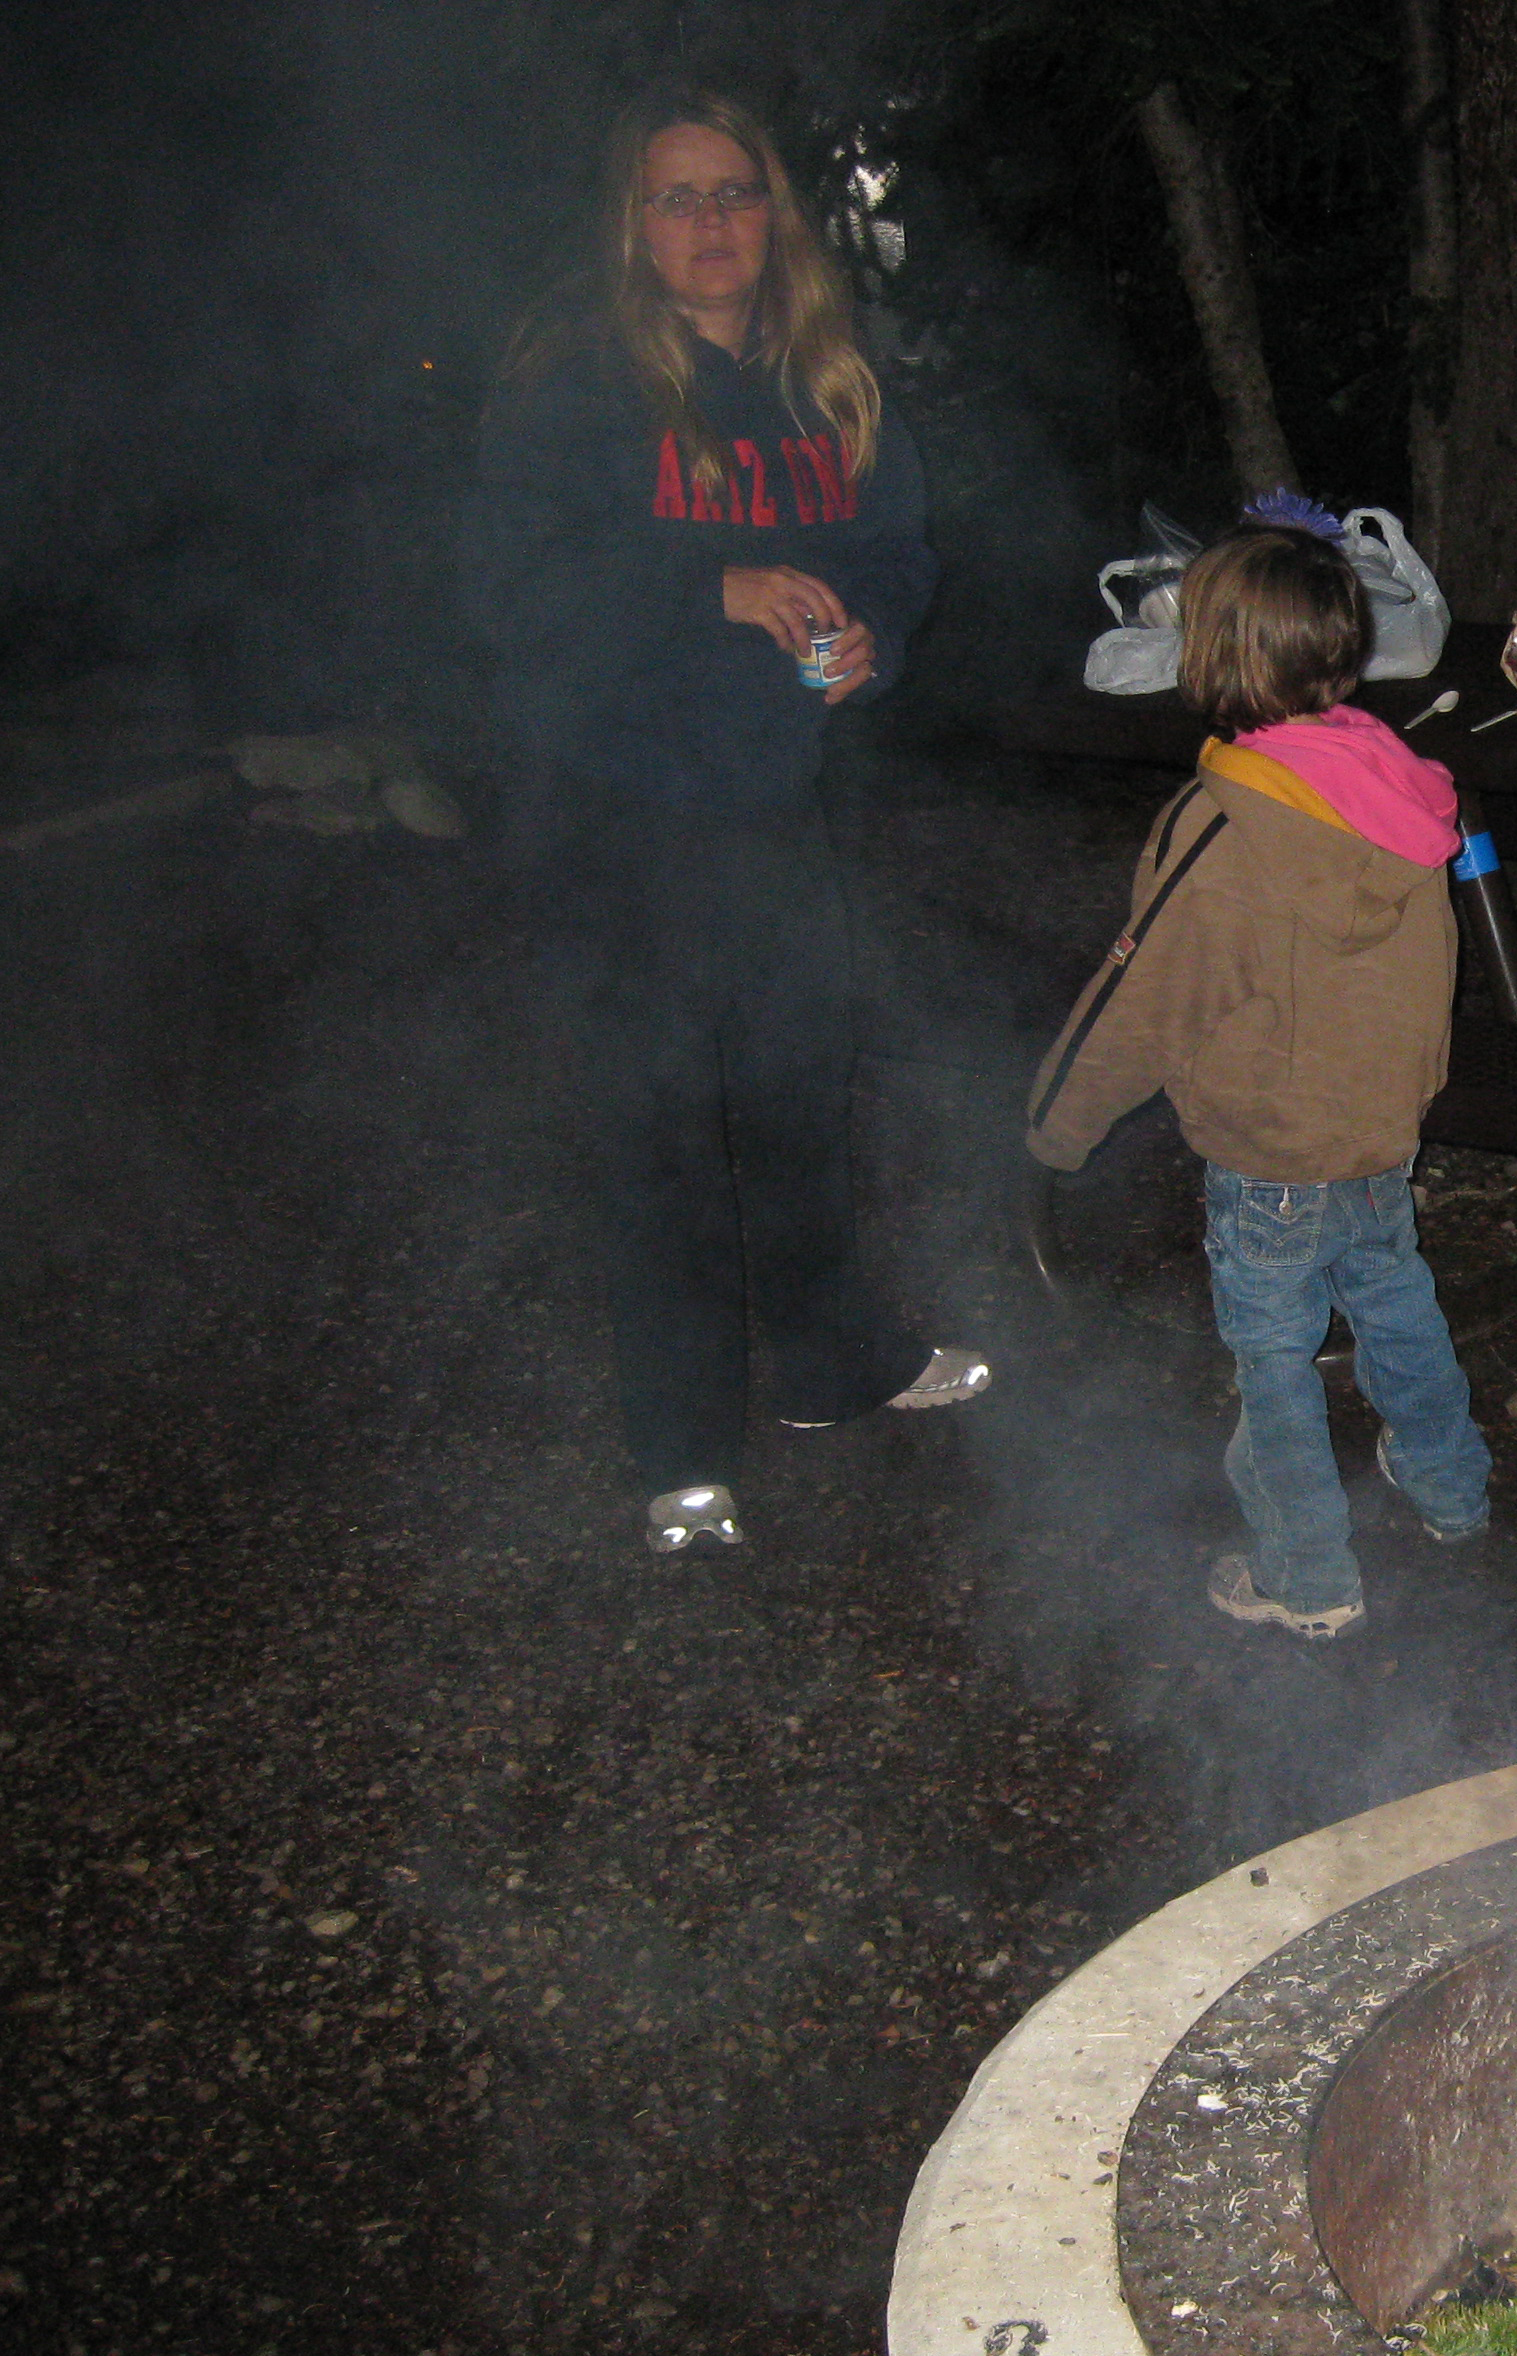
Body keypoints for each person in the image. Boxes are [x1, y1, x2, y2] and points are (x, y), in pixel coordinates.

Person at [462, 91, 986, 1554]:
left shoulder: (831, 381)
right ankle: (680, 1444)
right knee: (661, 1127)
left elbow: (897, 552)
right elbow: (505, 587)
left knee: (802, 1090)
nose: (708, 223)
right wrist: (716, 587)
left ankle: (834, 1367)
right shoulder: (577, 380)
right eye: (675, 197)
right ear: (633, 225)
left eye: (733, 194)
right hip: (609, 804)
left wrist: (872, 632)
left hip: (771, 796)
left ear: (776, 216)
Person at [1025, 521, 1492, 1638]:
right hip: (1380, 1126)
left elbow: (1145, 998)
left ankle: (1306, 1576)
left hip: (1273, 1147)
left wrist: (1057, 1120)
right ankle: (1451, 1491)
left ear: (1209, 658)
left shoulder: (1226, 825)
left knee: (1272, 1359)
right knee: (1393, 1295)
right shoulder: (1397, 780)